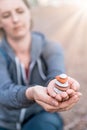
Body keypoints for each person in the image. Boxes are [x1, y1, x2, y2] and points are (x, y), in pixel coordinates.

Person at [0, 0, 82, 130]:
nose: (15, 19)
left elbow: (56, 73)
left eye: (20, 11)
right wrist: (31, 93)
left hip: (40, 116)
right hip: (4, 122)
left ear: (29, 13)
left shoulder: (51, 47)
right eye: (6, 15)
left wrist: (56, 85)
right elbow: (3, 91)